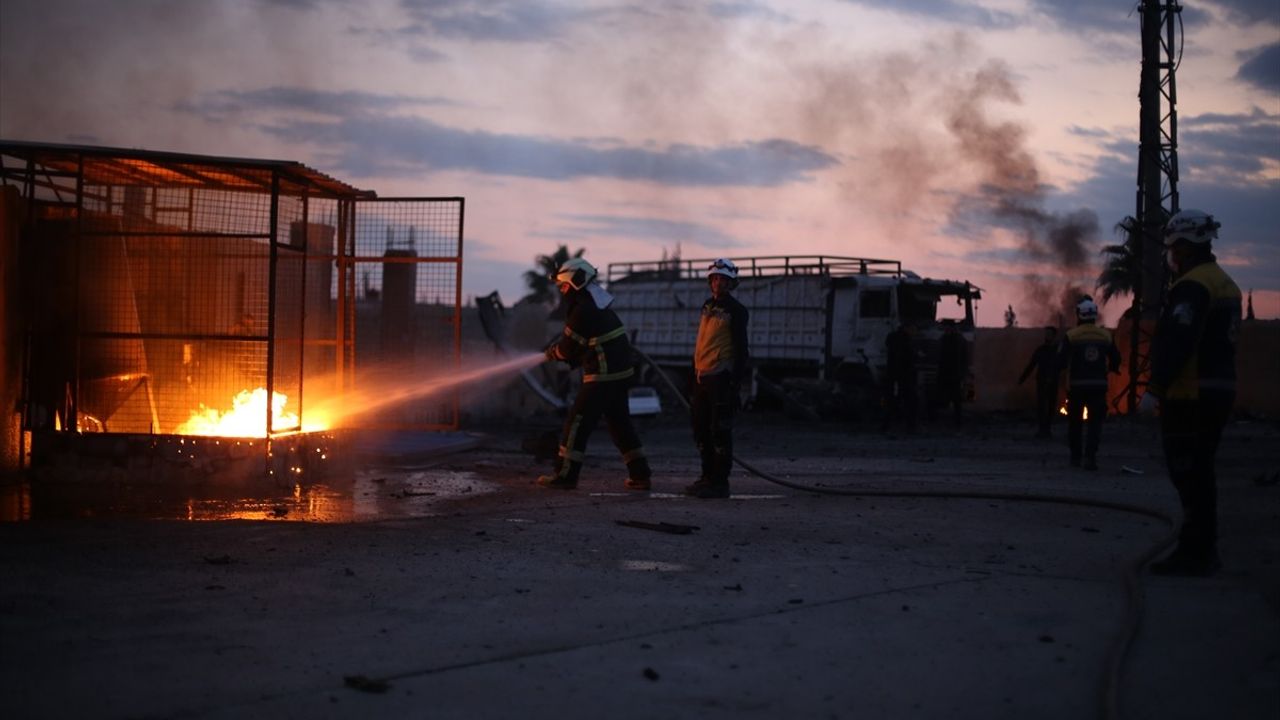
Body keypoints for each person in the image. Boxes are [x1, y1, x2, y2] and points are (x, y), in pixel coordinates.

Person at [1139, 209, 1241, 576]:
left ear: (1183, 247)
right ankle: (1202, 549)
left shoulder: (1192, 286)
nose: (1171, 256)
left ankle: (1195, 553)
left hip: (1190, 395)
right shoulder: (1225, 283)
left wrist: (1155, 388)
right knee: (1201, 471)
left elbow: (1179, 342)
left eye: (1173, 249)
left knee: (1188, 472)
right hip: (1219, 390)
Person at [538, 258, 652, 491]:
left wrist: (552, 353)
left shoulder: (582, 310)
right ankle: (640, 475)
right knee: (620, 424)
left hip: (603, 376)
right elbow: (583, 346)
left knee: (577, 422)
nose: (561, 290)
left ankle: (565, 475)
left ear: (571, 283)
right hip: (619, 374)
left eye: (562, 285)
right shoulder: (595, 303)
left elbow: (568, 348)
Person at [685, 258, 751, 499]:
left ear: (732, 283)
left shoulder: (737, 311)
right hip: (702, 377)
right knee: (700, 430)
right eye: (714, 279)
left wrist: (735, 386)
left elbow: (742, 350)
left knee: (719, 431)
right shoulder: (707, 306)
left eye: (723, 279)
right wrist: (694, 375)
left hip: (721, 379)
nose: (718, 283)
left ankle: (720, 482)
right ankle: (706, 477)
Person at [1057, 296, 1121, 470]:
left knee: (1075, 423)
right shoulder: (1105, 335)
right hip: (1099, 387)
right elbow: (1116, 358)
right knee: (1095, 424)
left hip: (1077, 387)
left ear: (1079, 314)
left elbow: (1061, 361)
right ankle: (1090, 458)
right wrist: (1111, 368)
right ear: (1094, 315)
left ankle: (1075, 458)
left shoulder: (1071, 336)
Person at [1018, 326, 1061, 439]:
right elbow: (1031, 365)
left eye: (1049, 334)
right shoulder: (1040, 350)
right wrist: (1022, 379)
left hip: (1053, 382)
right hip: (1041, 382)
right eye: (1046, 334)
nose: (1047, 336)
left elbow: (1063, 365)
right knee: (1041, 406)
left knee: (1051, 407)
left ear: (1054, 336)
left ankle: (1048, 429)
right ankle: (1042, 430)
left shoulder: (1058, 350)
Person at [880, 322, 919, 434]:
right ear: (908, 328)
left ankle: (887, 424)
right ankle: (909, 425)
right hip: (903, 375)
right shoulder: (906, 341)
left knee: (891, 400)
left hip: (893, 374)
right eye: (913, 330)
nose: (914, 332)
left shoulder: (892, 337)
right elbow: (906, 358)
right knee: (910, 400)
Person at [933, 319, 968, 425]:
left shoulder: (957, 340)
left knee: (956, 399)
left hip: (953, 374)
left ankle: (957, 421)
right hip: (947, 373)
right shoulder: (948, 339)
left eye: (947, 327)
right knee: (944, 397)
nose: (945, 329)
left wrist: (962, 373)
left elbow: (962, 358)